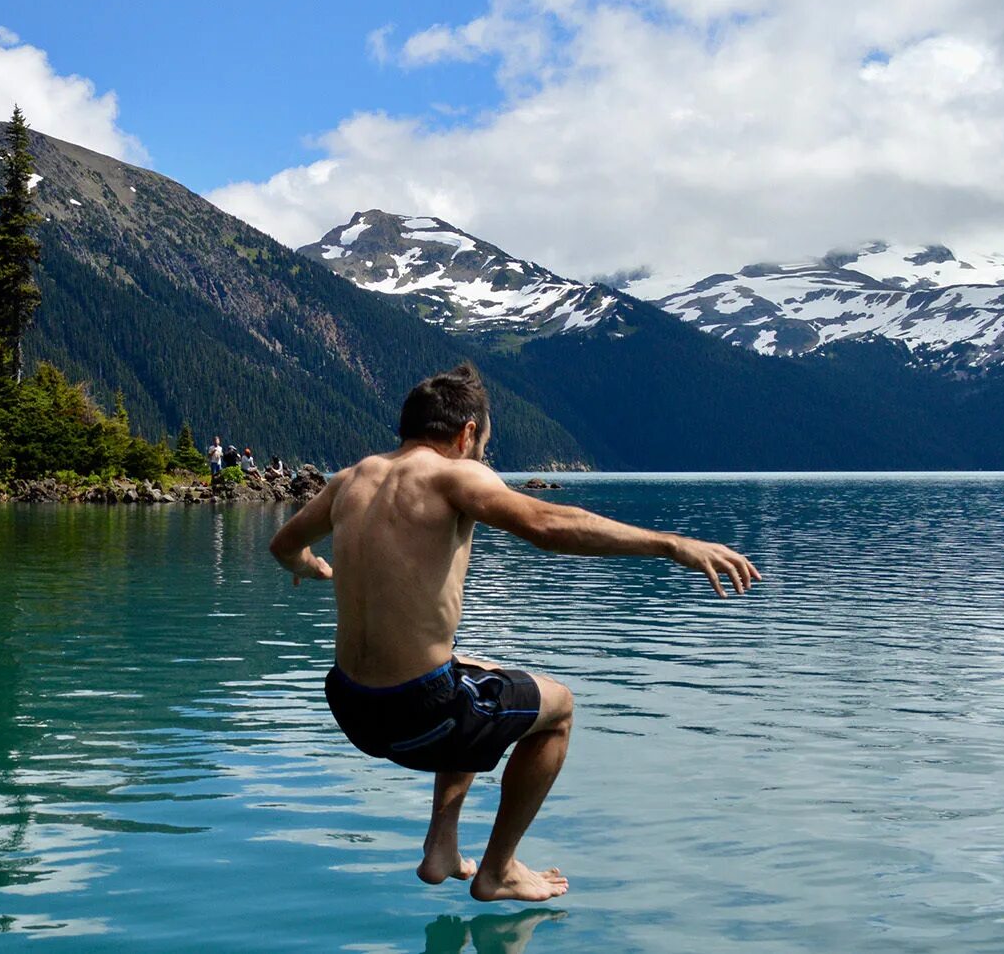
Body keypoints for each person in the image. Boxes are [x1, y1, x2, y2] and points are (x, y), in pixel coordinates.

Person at [269, 363, 760, 901]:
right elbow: (547, 524)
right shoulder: (454, 473)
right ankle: (498, 869)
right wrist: (671, 544)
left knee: (474, 671)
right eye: (483, 443)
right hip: (417, 715)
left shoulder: (350, 479)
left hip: (349, 705)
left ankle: (443, 847)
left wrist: (315, 568)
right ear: (467, 434)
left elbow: (284, 546)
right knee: (560, 710)